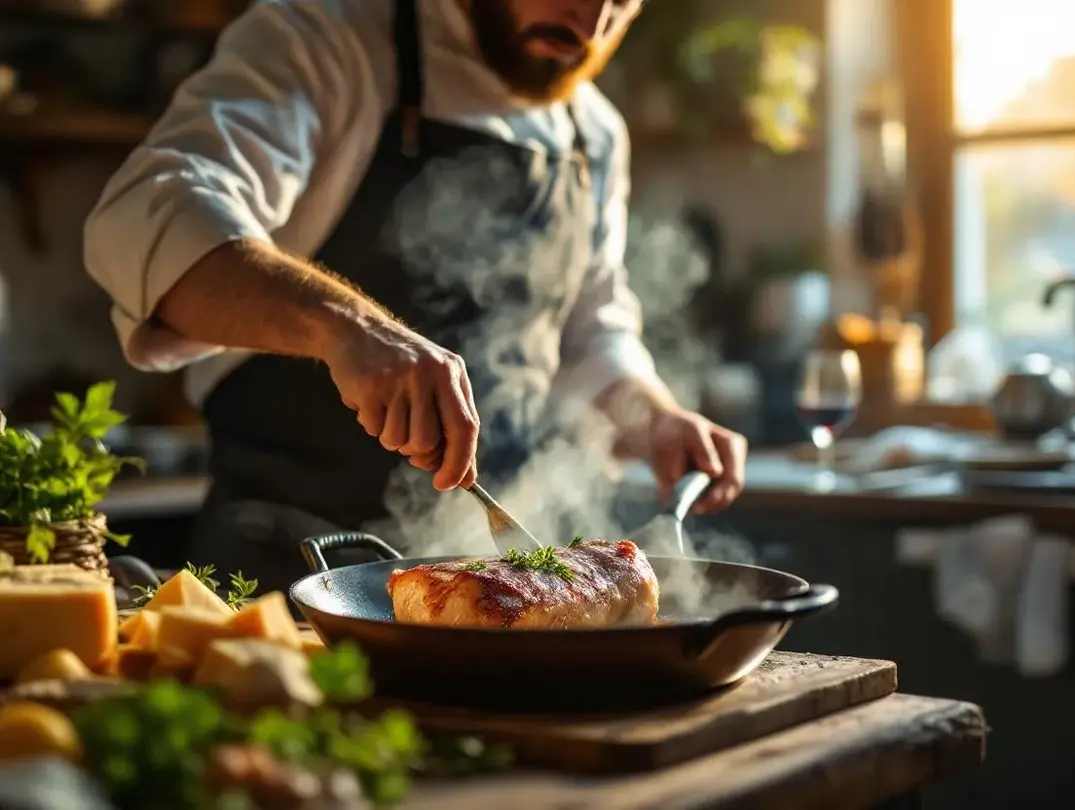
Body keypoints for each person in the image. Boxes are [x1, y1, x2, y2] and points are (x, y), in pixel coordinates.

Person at [84, 0, 749, 590]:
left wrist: (655, 416)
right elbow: (152, 211)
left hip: (496, 582)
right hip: (291, 576)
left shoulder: (593, 133)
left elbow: (591, 332)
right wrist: (346, 328)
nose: (592, 20)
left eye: (623, 2)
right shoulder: (323, 39)